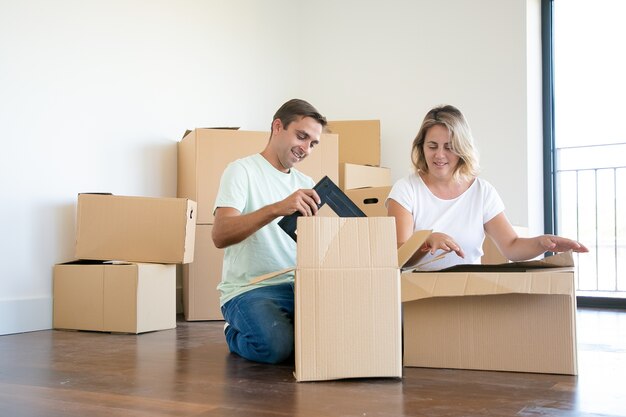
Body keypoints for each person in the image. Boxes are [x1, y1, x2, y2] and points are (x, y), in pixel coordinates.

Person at [387, 104, 588, 270]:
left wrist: (542, 242)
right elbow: (398, 256)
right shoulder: (406, 189)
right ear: (421, 147)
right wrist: (427, 241)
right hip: (419, 297)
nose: (439, 155)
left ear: (462, 150)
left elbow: (511, 246)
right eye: (432, 146)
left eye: (449, 147)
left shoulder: (482, 192)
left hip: (469, 292)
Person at [212, 98, 327, 364]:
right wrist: (277, 208)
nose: (306, 149)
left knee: (331, 340)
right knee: (276, 348)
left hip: (297, 287)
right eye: (301, 137)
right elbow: (220, 234)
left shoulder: (306, 183)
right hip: (251, 289)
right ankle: (234, 331)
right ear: (278, 126)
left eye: (313, 143)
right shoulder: (242, 171)